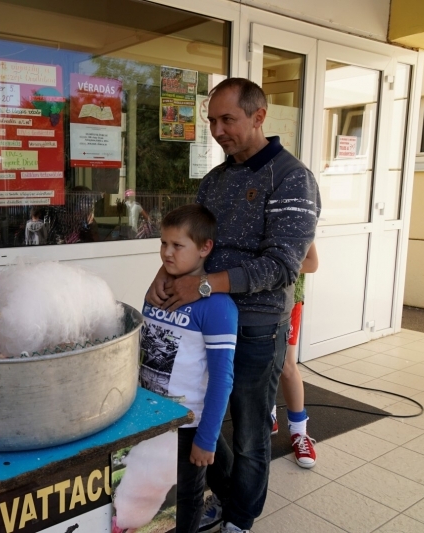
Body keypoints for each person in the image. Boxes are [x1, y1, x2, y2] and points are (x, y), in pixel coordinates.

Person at [147, 78, 320, 533]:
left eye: (228, 119)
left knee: (248, 432)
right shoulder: (215, 180)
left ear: (259, 116)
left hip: (257, 327)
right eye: (212, 120)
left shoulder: (292, 178)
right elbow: (192, 240)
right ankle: (226, 494)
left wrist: (204, 287)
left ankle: (240, 520)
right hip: (203, 318)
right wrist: (165, 273)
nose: (218, 130)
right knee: (198, 413)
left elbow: (283, 266)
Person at [139, 204, 237, 533]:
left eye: (177, 245)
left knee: (187, 494)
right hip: (151, 415)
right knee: (159, 487)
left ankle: (231, 509)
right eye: (163, 243)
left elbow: (222, 379)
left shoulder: (217, 307)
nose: (167, 252)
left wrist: (206, 438)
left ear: (205, 248)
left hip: (187, 422)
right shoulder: (157, 291)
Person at [272, 242, 319, 468]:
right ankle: (268, 413)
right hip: (253, 301)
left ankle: (299, 433)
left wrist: (270, 269)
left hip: (289, 300)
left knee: (287, 366)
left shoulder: (297, 224)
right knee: (258, 364)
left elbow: (312, 263)